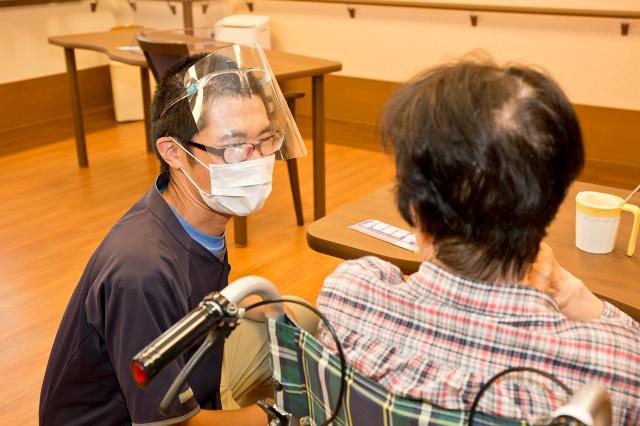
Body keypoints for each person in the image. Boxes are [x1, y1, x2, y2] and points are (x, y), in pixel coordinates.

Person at [315, 58, 640, 424]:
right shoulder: (611, 372)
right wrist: (571, 292)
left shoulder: (347, 295)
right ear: (552, 200)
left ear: (417, 213)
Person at [40, 46, 308, 426]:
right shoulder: (141, 269)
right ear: (174, 152)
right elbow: (170, 425)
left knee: (298, 320)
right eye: (234, 148)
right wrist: (280, 417)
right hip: (140, 419)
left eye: (266, 140)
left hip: (188, 373)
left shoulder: (192, 215)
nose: (258, 160)